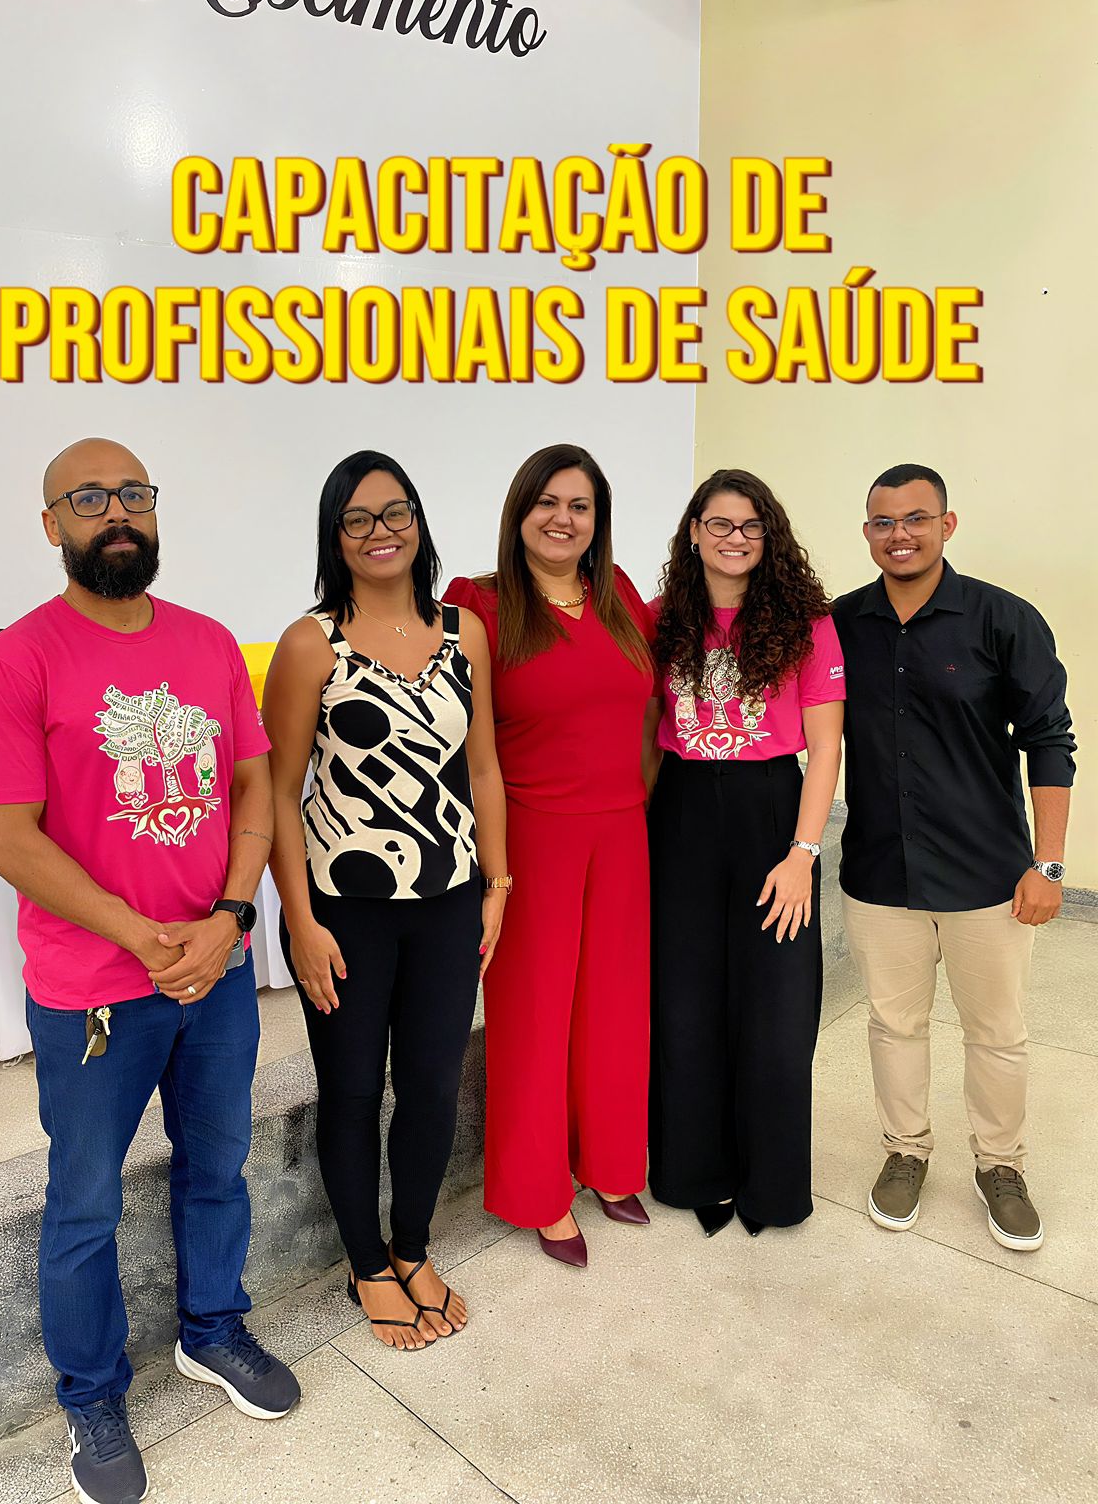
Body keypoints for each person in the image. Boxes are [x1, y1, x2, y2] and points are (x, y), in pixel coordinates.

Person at [0, 439, 299, 1504]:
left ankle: (213, 1328)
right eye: (91, 497)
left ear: (155, 511)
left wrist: (229, 918)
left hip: (216, 973)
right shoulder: (16, 662)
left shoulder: (208, 644)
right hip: (95, 993)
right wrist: (143, 935)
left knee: (217, 1164)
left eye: (134, 494)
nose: (118, 512)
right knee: (85, 1203)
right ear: (51, 523)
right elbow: (6, 838)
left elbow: (253, 787)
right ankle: (92, 1395)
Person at [265, 451, 507, 1350]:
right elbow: (278, 792)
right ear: (335, 537)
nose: (380, 532)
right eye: (358, 518)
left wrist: (498, 883)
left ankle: (411, 1247)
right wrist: (300, 922)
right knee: (354, 1091)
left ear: (418, 520)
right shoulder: (310, 644)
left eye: (395, 512)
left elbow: (485, 768)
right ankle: (366, 1265)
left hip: (448, 901)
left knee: (435, 1088)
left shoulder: (464, 634)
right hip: (345, 912)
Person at [834, 463, 1075, 1252]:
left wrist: (1048, 865)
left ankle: (1001, 1165)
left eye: (915, 518)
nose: (899, 534)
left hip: (987, 874)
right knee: (894, 1024)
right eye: (883, 522)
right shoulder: (841, 624)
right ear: (867, 532)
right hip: (880, 872)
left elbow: (1050, 743)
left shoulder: (1004, 619)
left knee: (996, 1032)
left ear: (947, 524)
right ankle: (905, 1152)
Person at [445, 444, 657, 1267]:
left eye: (580, 506)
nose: (563, 519)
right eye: (548, 502)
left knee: (615, 1011)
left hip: (622, 831)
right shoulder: (479, 605)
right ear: (520, 511)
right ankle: (538, 1190)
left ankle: (609, 1164)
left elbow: (646, 717)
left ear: (598, 520)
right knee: (534, 1020)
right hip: (531, 835)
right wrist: (492, 870)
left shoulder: (620, 596)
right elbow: (469, 750)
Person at [647, 469, 844, 1238]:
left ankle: (772, 1186)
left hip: (771, 813)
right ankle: (692, 1170)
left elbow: (825, 749)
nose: (736, 538)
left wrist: (803, 854)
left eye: (751, 526)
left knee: (777, 1008)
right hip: (682, 811)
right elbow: (644, 734)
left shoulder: (806, 622)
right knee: (684, 1003)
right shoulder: (661, 621)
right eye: (721, 524)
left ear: (770, 536)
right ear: (694, 532)